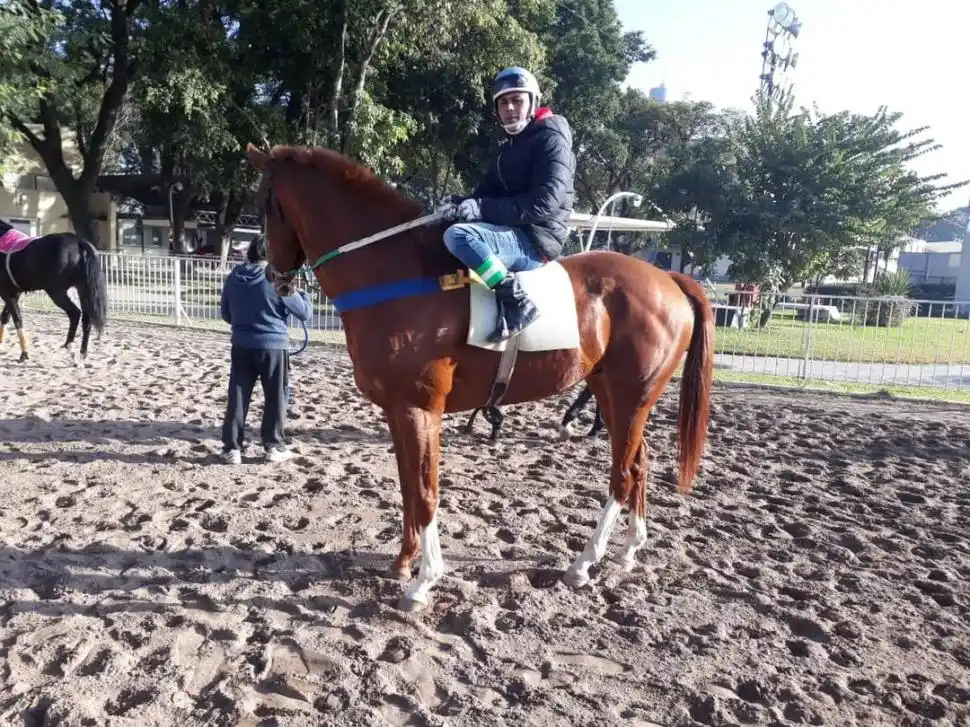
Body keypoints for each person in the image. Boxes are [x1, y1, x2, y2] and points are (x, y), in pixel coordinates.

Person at [436, 66, 576, 342]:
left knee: (459, 235)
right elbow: (485, 194)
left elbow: (544, 203)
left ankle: (517, 302)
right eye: (503, 102)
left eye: (517, 100)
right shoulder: (509, 148)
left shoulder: (552, 140)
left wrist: (481, 209)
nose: (510, 108)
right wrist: (457, 203)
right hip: (513, 232)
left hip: (536, 241)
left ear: (533, 102)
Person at [219, 235, 312, 464]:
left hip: (241, 344)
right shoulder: (277, 278)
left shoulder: (234, 276)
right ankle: (273, 445)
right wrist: (304, 293)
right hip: (273, 347)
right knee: (276, 397)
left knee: (238, 397)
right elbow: (305, 313)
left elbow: (226, 314)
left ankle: (232, 448)